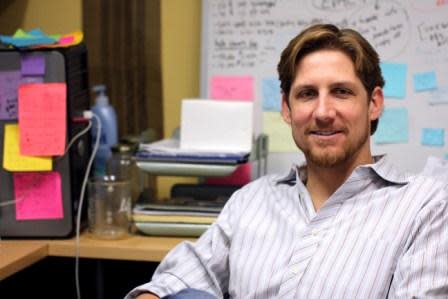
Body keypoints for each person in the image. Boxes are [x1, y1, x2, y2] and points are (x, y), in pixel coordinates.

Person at [126, 24, 448, 299]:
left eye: (341, 92)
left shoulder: (425, 207)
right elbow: (176, 279)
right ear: (286, 108)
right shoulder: (251, 201)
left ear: (374, 103)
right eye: (307, 94)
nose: (323, 112)